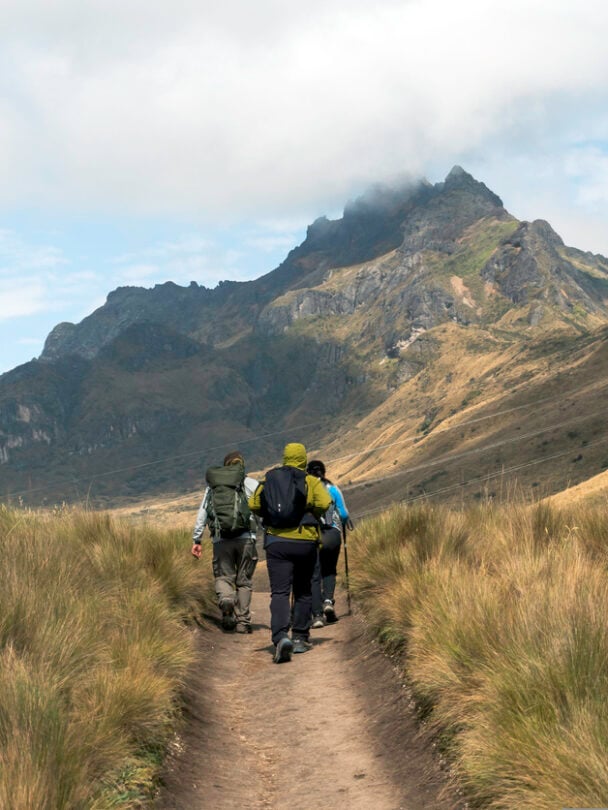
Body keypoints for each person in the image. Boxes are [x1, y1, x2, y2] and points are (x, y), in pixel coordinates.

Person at [249, 442, 332, 663]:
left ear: (284, 457)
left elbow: (253, 504)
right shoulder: (310, 481)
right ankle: (300, 638)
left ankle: (280, 637)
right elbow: (325, 503)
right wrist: (308, 508)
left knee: (280, 592)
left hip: (276, 543)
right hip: (305, 542)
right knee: (303, 590)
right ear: (303, 459)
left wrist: (273, 513)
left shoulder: (269, 479)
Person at [191, 451, 259, 634]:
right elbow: (262, 510)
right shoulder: (251, 484)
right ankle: (243, 622)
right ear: (241, 465)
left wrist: (197, 539)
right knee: (244, 582)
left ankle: (226, 600)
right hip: (246, 539)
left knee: (223, 577)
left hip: (221, 540)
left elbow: (202, 515)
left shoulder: (213, 487)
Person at [307, 459, 351, 626]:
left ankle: (316, 614)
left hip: (313, 535)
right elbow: (344, 514)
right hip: (332, 534)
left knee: (314, 573)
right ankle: (328, 601)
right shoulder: (333, 488)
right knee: (330, 570)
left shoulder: (307, 489)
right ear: (323, 472)